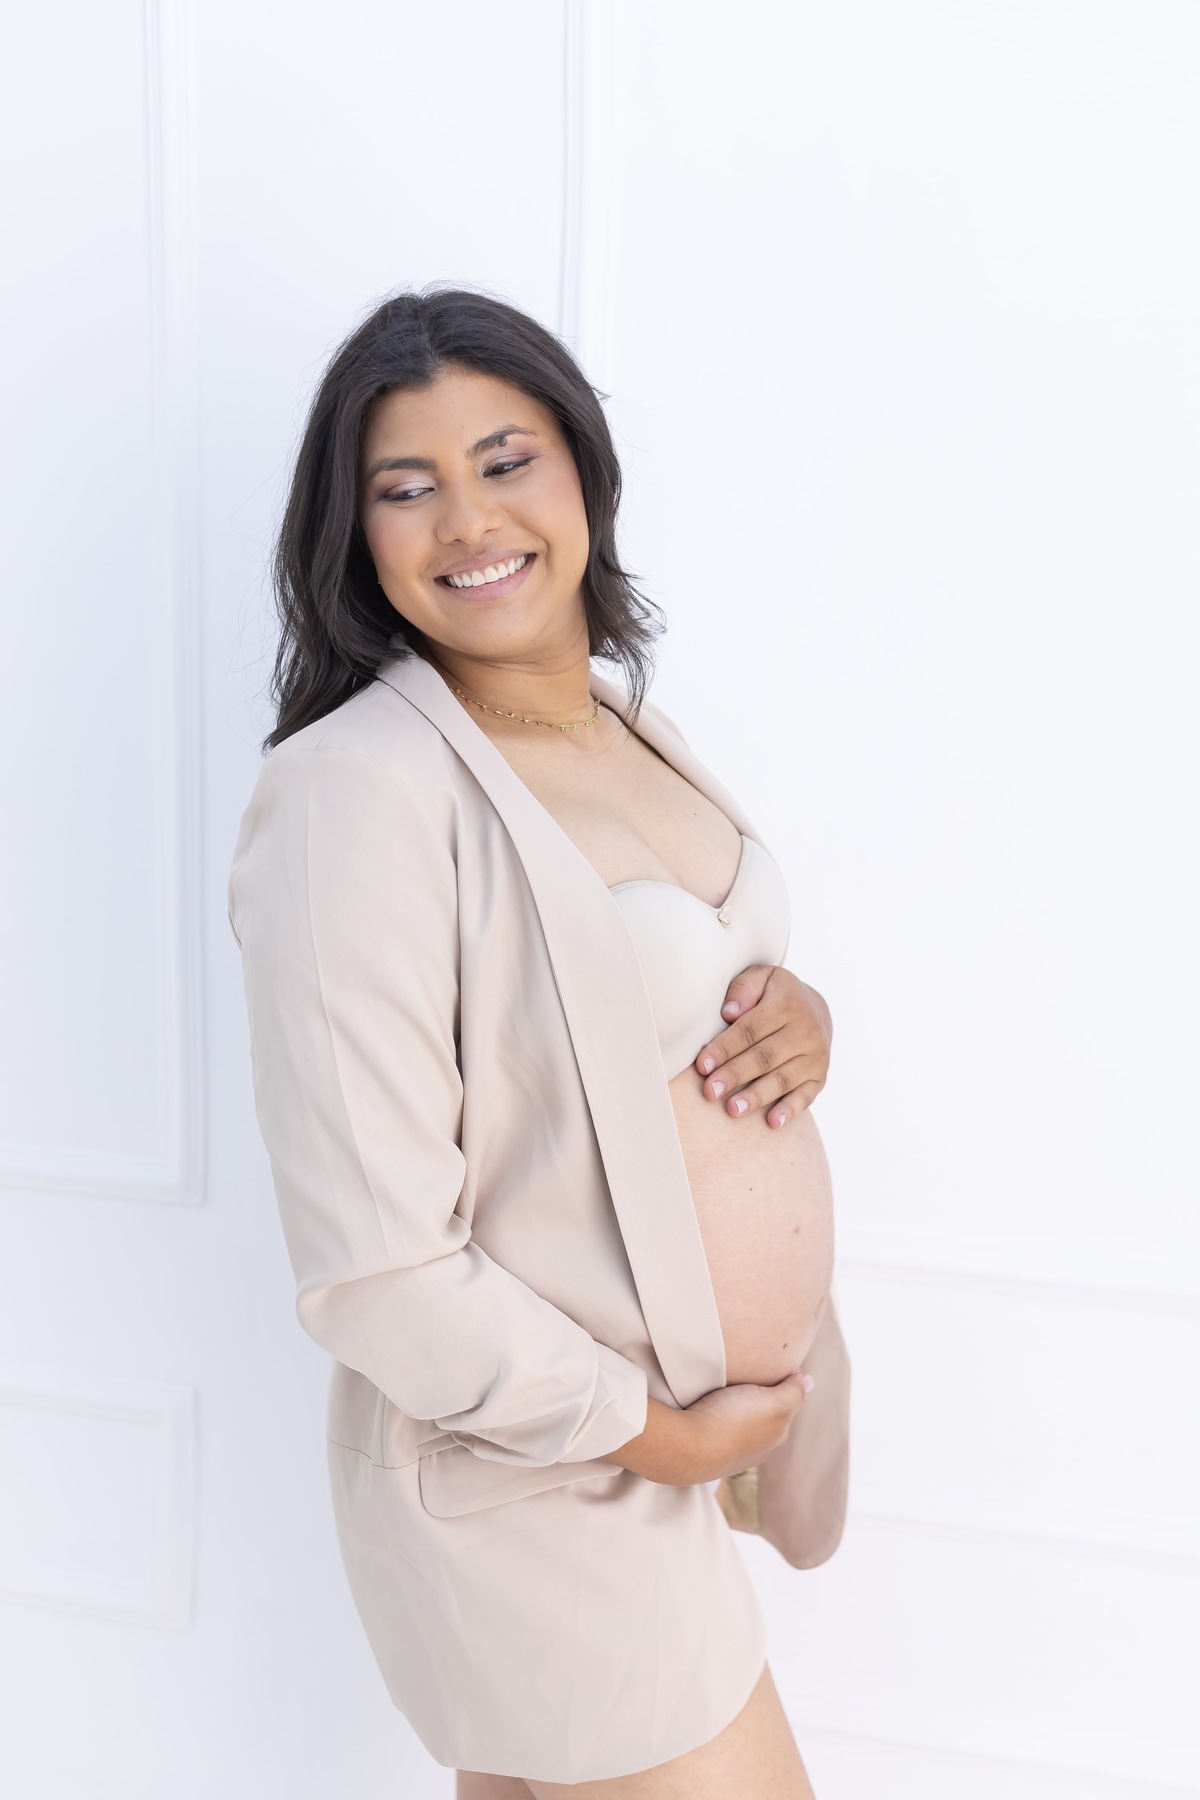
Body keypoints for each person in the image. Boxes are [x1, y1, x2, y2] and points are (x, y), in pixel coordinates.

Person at [229, 287, 845, 1798]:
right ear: (352, 533)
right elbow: (377, 1264)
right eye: (405, 485)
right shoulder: (353, 794)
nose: (466, 517)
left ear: (581, 470)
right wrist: (654, 1436)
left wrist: (800, 1024)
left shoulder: (627, 724)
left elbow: (646, 1004)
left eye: (505, 459)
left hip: (678, 1462)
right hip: (547, 1478)